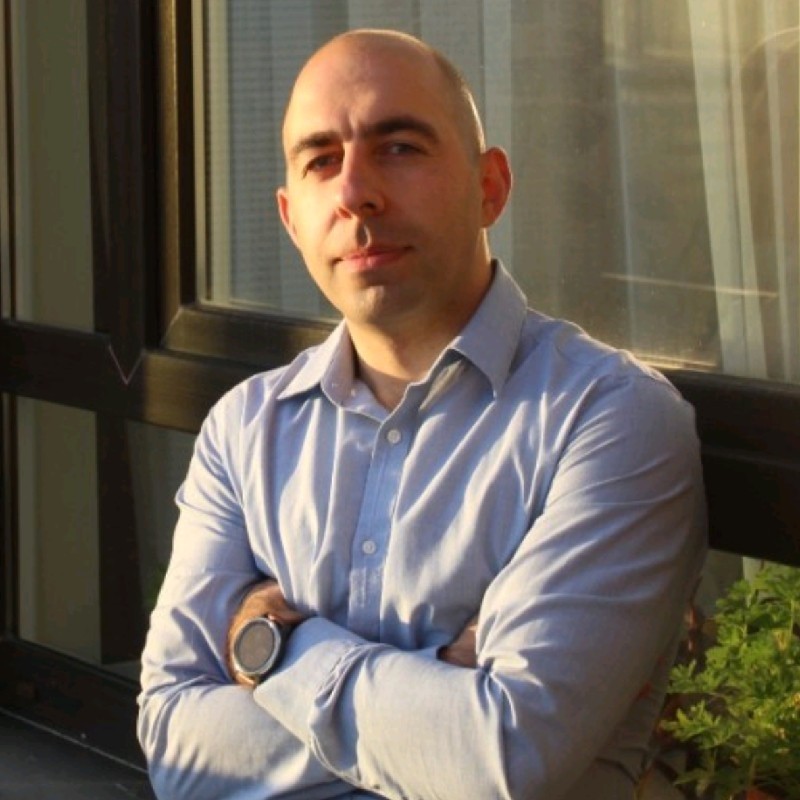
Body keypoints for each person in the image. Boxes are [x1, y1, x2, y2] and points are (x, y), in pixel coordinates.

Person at [138, 29, 707, 800]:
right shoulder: (244, 430)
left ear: (490, 187)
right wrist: (434, 700)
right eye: (321, 161)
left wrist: (270, 648)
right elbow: (177, 747)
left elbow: (502, 757)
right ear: (291, 218)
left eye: (399, 147)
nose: (355, 192)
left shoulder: (609, 420)